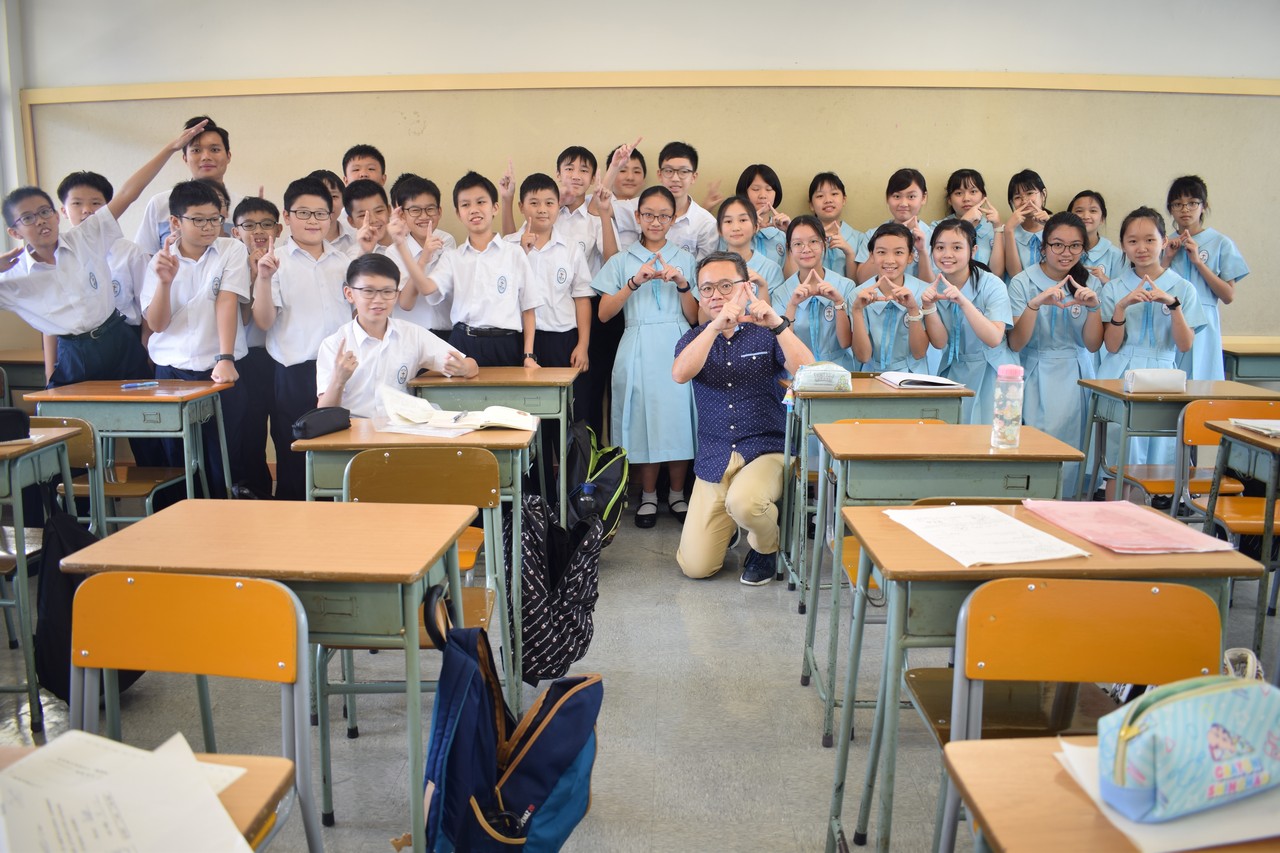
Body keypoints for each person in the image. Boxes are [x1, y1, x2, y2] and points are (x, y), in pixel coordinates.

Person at [1, 120, 209, 387]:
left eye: (44, 212)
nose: (40, 221)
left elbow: (128, 193)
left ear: (56, 215)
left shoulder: (85, 237)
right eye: (28, 218)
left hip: (117, 338)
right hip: (74, 352)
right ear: (14, 232)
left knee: (143, 409)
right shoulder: (12, 277)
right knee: (73, 413)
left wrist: (170, 148)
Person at [673, 251, 814, 584]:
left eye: (726, 286)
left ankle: (766, 546)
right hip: (716, 456)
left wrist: (778, 325)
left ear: (745, 287)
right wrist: (714, 328)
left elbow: (808, 371)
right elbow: (680, 374)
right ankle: (736, 523)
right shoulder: (694, 339)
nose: (716, 295)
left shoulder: (766, 331)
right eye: (707, 289)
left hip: (766, 449)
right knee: (695, 567)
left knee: (745, 502)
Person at [253, 177, 374, 500]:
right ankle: (297, 521)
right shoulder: (275, 261)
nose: (313, 221)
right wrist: (263, 278)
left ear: (331, 216)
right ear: (286, 216)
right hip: (294, 373)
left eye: (320, 214)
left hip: (341, 371)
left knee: (341, 451)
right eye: (303, 213)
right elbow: (263, 321)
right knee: (294, 454)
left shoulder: (344, 262)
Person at [592, 185, 697, 528]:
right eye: (649, 214)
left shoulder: (685, 259)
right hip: (637, 341)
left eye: (663, 215)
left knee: (678, 420)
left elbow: (694, 316)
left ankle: (677, 495)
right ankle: (648, 496)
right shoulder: (622, 260)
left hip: (677, 343)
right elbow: (604, 314)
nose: (656, 221)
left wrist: (682, 284)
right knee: (642, 420)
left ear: (673, 219)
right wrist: (633, 283)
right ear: (637, 217)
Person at [140, 180, 250, 498]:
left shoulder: (231, 249)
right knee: (177, 460)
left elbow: (226, 301)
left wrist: (225, 358)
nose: (208, 227)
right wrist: (164, 283)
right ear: (176, 222)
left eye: (214, 219)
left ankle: (222, 521)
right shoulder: (159, 261)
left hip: (220, 372)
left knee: (223, 459)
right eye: (198, 220)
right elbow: (157, 324)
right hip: (172, 374)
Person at [505, 172, 593, 491]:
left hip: (562, 342)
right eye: (534, 203)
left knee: (565, 422)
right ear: (521, 206)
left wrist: (583, 344)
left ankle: (568, 497)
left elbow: (581, 298)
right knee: (526, 422)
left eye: (549, 203)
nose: (542, 209)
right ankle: (533, 497)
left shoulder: (570, 248)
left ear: (558, 207)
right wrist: (522, 253)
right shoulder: (507, 247)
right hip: (520, 343)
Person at [1099, 206, 1205, 471]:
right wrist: (1121, 307)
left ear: (1164, 242)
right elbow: (1111, 345)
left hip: (1163, 375)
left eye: (1150, 240)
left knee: (1159, 457)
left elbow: (1184, 345)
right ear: (1123, 246)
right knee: (1119, 457)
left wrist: (1173, 306)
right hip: (1120, 373)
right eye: (1133, 241)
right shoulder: (1113, 288)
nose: (1141, 248)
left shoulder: (1183, 288)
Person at [399, 171, 541, 367]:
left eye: (481, 202)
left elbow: (529, 309)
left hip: (506, 344)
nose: (474, 210)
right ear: (458, 213)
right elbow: (427, 288)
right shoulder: (452, 257)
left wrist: (528, 356)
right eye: (465, 205)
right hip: (462, 342)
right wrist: (402, 246)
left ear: (495, 208)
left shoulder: (515, 253)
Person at [1007, 211, 1104, 487]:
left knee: (1075, 450)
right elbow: (1015, 343)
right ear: (1044, 246)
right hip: (1034, 373)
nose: (1066, 253)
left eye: (1075, 246)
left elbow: (1093, 344)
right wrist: (1034, 305)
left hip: (1077, 375)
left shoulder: (1090, 283)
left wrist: (1094, 308)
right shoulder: (1022, 282)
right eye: (1057, 245)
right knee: (1036, 448)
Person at [317, 254, 477, 417]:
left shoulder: (412, 334)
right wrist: (338, 380)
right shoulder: (334, 345)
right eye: (368, 291)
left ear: (396, 294)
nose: (378, 300)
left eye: (387, 291)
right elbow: (323, 412)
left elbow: (471, 366)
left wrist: (463, 368)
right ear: (349, 293)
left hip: (400, 425)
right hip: (353, 427)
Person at [921, 219, 1018, 423]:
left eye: (957, 247)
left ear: (973, 251)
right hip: (954, 370)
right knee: (955, 435)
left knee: (993, 435)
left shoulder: (992, 285)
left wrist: (963, 301)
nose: (947, 254)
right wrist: (928, 307)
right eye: (940, 247)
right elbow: (940, 342)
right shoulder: (933, 288)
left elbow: (994, 338)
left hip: (994, 371)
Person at [1164, 175, 1249, 382]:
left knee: (1202, 381)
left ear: (1204, 206)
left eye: (1192, 203)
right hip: (1168, 319)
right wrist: (1167, 258)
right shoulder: (1163, 243)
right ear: (1170, 209)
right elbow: (1151, 284)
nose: (1185, 209)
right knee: (1167, 381)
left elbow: (1228, 296)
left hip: (1204, 322)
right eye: (1178, 204)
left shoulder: (1220, 243)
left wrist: (1198, 262)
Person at [229, 196, 283, 498]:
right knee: (250, 429)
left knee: (284, 428)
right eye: (249, 225)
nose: (258, 231)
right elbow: (244, 316)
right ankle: (255, 490)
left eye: (266, 224)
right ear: (236, 231)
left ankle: (289, 491)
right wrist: (252, 275)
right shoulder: (230, 263)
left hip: (281, 358)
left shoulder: (287, 260)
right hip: (246, 359)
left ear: (279, 228)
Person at [134, 116, 236, 254]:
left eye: (215, 150)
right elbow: (144, 256)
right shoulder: (161, 204)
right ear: (185, 158)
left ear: (228, 156)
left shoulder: (242, 206)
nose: (206, 157)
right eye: (196, 150)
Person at [773, 215, 856, 369]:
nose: (806, 249)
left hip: (839, 371)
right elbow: (782, 346)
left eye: (813, 241)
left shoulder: (845, 286)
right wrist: (792, 305)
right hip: (798, 370)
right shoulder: (781, 293)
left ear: (824, 243)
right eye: (798, 244)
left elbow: (845, 343)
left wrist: (839, 303)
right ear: (789, 248)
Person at [850, 223, 929, 372]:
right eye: (881, 252)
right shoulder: (857, 295)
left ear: (910, 257)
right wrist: (857, 311)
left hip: (913, 375)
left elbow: (919, 353)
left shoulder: (923, 293)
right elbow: (863, 356)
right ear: (871, 256)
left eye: (898, 252)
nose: (889, 260)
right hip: (872, 375)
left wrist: (913, 310)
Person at [390, 175, 456, 340]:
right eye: (415, 210)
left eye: (430, 209)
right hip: (410, 334)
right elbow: (405, 303)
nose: (424, 216)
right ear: (402, 215)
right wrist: (423, 258)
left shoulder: (447, 240)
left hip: (446, 331)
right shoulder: (393, 252)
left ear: (439, 211)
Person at [856, 169, 934, 283]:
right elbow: (862, 280)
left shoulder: (934, 237)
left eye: (911, 196)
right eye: (897, 196)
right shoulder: (873, 235)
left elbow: (930, 285)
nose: (903, 203)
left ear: (923, 198)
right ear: (887, 198)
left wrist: (922, 252)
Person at [935, 169, 1005, 278]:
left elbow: (997, 274)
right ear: (949, 200)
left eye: (973, 192)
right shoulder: (937, 228)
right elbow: (935, 270)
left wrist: (997, 228)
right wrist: (964, 222)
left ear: (983, 197)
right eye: (959, 193)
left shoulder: (993, 228)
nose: (966, 198)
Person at [717, 196, 783, 300]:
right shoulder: (711, 267)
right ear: (719, 229)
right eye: (728, 221)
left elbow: (775, 310)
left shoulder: (771, 269)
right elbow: (703, 309)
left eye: (743, 220)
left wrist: (762, 287)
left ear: (755, 227)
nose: (736, 228)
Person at [802, 171, 863, 280]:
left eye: (834, 194)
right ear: (811, 205)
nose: (828, 200)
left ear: (844, 200)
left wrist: (849, 253)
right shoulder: (801, 238)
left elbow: (858, 282)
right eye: (820, 196)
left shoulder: (859, 239)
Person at [733, 164, 789, 266]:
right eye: (755, 189)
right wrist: (747, 227)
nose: (763, 196)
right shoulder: (732, 229)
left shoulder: (782, 232)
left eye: (769, 189)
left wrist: (790, 233)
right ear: (744, 192)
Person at [1003, 169, 1051, 278]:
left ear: (1043, 194)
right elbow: (1015, 275)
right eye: (1017, 197)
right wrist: (1009, 230)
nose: (1024, 201)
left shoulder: (1058, 227)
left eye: (1030, 193)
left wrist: (1051, 227)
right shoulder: (1006, 231)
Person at [1069, 190, 1124, 285]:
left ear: (1102, 218)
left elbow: (1124, 291)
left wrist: (1106, 281)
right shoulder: (1060, 250)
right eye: (1079, 211)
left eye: (1093, 211)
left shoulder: (1116, 255)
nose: (1086, 216)